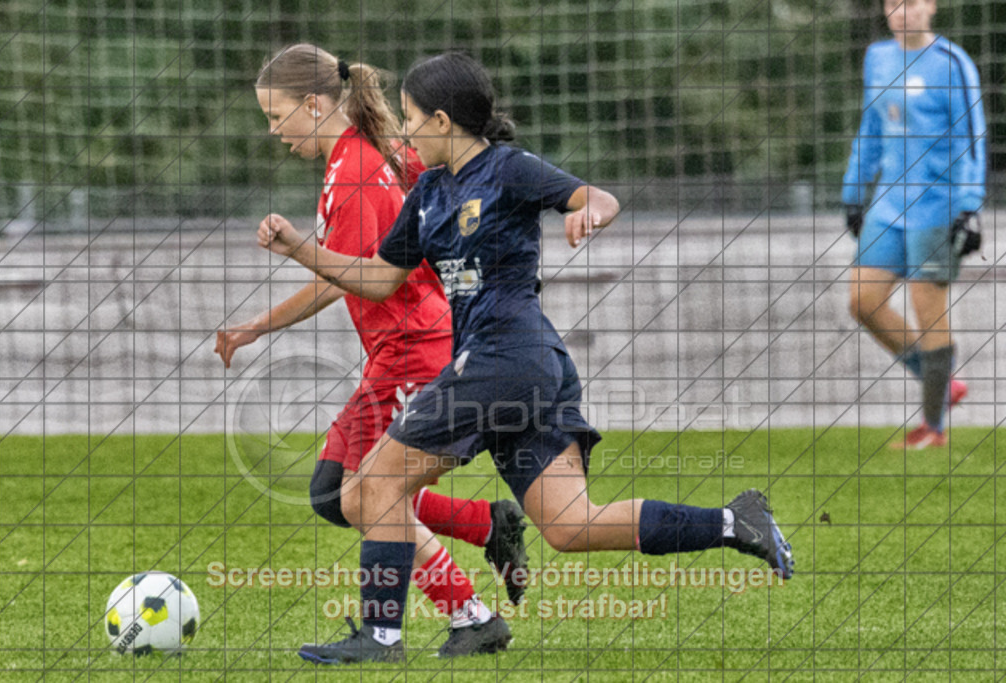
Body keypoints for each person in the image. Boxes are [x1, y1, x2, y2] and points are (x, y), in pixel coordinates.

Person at [257, 51, 795, 665]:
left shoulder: (507, 170)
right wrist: (300, 247)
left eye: (408, 119)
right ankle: (735, 522)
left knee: (368, 488)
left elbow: (596, 196)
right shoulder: (430, 190)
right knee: (571, 527)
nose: (401, 132)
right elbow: (380, 278)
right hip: (523, 368)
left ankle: (381, 638)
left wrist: (590, 213)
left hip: (503, 359)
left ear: (440, 120)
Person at [215, 44, 528, 660]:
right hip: (399, 349)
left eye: (276, 116)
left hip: (415, 349)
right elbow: (346, 273)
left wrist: (298, 250)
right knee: (336, 491)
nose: (273, 131)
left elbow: (359, 276)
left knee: (362, 494)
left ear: (313, 104)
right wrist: (258, 326)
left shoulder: (356, 172)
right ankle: (485, 537)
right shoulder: (353, 160)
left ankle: (408, 629)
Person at [843, 0, 986, 450]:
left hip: (937, 207)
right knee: (863, 302)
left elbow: (972, 136)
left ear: (933, 6)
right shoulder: (878, 58)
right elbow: (870, 128)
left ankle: (933, 428)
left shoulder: (953, 64)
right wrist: (854, 191)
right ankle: (939, 381)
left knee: (929, 314)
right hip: (887, 205)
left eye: (913, 1)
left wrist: (968, 205)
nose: (902, 11)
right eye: (893, 3)